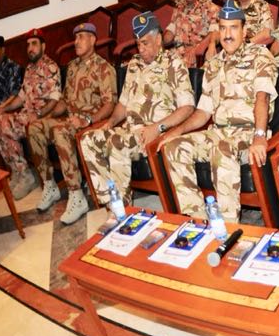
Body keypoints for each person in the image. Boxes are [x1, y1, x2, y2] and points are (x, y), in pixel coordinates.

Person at [162, 0, 277, 222]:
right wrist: (177, 131)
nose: (227, 34)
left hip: (247, 133)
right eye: (223, 28)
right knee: (174, 146)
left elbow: (262, 98)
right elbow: (203, 113)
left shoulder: (260, 56)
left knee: (221, 149)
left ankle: (228, 225)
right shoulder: (213, 65)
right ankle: (197, 218)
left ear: (244, 30)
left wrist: (259, 136)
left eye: (233, 28)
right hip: (218, 132)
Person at [80, 12, 194, 208]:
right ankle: (111, 202)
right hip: (129, 131)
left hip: (153, 135)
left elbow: (187, 107)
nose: (140, 49)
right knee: (88, 139)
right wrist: (110, 123)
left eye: (145, 43)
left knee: (116, 143)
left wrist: (157, 128)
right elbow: (123, 104)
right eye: (138, 43)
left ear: (159, 39)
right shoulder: (133, 64)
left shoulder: (173, 63)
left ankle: (122, 208)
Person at [28, 22, 116, 224]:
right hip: (69, 119)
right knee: (35, 128)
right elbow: (64, 102)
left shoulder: (104, 68)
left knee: (60, 130)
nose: (76, 42)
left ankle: (77, 196)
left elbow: (109, 105)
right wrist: (47, 116)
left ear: (93, 40)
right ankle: (49, 184)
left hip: (91, 122)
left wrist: (87, 120)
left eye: (81, 37)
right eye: (75, 37)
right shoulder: (72, 67)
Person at [0, 29, 61, 197]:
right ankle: (17, 170)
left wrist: (39, 114)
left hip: (42, 118)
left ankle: (26, 175)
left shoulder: (51, 67)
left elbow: (55, 99)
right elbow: (21, 97)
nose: (30, 48)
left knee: (6, 126)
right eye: (28, 45)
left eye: (34, 44)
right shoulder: (29, 69)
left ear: (43, 46)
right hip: (25, 115)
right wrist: (4, 109)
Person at [164, 0, 218, 67]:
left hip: (194, 56)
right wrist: (159, 39)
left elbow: (214, 33)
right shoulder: (179, 8)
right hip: (175, 53)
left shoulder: (210, 8)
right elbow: (170, 31)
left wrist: (197, 49)